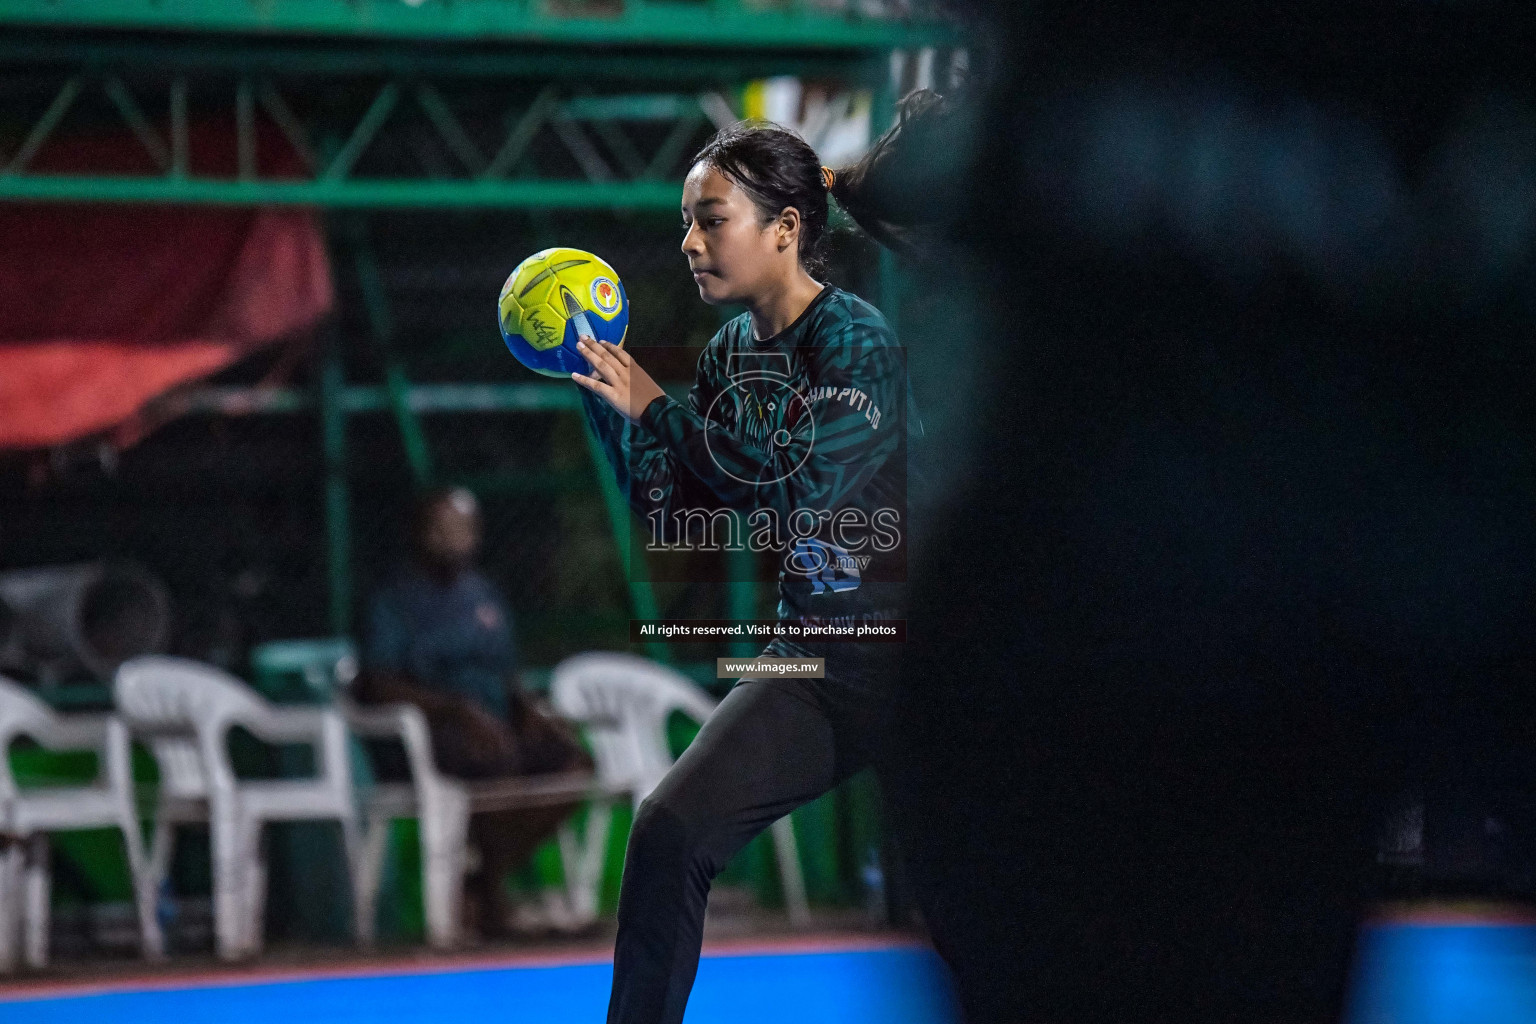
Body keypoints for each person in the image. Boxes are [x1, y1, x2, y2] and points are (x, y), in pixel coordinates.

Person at [573, 122, 917, 1023]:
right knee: (669, 831)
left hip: (931, 672)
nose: (689, 242)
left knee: (971, 903)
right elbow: (677, 501)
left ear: (785, 228)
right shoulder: (731, 354)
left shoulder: (858, 343)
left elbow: (806, 486)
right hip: (813, 662)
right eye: (686, 223)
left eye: (710, 219)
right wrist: (607, 404)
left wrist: (657, 407)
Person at [356, 486, 592, 939]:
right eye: (443, 528)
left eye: (465, 528)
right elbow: (377, 683)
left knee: (572, 764)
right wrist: (457, 711)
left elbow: (505, 673)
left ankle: (483, 883)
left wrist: (530, 712)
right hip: (428, 736)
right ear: (420, 532)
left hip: (495, 727)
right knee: (493, 756)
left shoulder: (483, 595)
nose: (456, 538)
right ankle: (494, 906)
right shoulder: (393, 600)